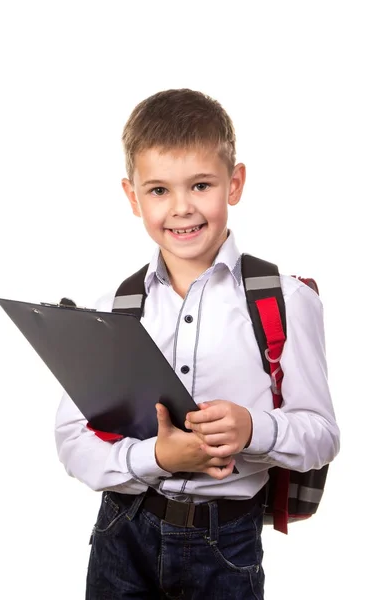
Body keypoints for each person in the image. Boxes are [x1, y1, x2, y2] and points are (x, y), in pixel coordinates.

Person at [55, 88, 340, 599]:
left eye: (201, 185)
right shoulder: (113, 311)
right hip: (120, 535)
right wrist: (158, 458)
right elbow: (72, 440)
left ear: (235, 184)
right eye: (159, 190)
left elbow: (322, 436)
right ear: (132, 195)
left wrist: (254, 428)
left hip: (225, 542)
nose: (181, 208)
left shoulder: (286, 300)